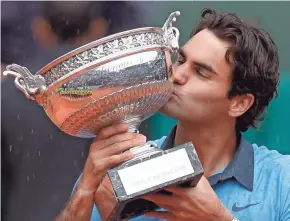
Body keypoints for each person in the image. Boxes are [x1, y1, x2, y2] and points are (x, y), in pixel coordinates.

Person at [55, 8, 290, 221]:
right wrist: (86, 188)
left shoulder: (282, 180)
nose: (176, 75)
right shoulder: (118, 170)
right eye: (181, 60)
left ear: (239, 103)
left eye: (201, 72)